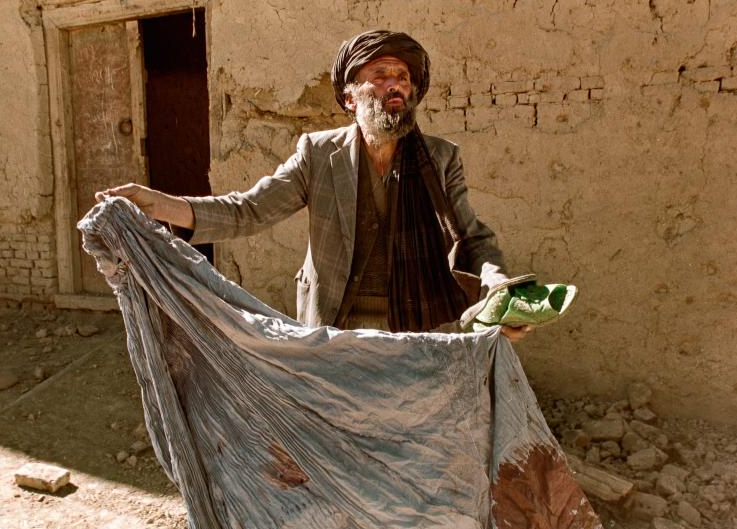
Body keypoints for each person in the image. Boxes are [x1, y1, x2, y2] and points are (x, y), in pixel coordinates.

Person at [96, 29, 532, 341]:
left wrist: (498, 288)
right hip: (335, 328)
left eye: (402, 76)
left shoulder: (440, 158)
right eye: (380, 75)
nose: (395, 84)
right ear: (350, 97)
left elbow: (473, 239)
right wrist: (160, 205)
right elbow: (247, 211)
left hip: (421, 325)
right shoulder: (319, 154)